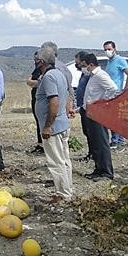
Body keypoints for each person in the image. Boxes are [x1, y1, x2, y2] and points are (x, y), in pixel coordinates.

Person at [34, 46, 73, 201]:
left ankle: (62, 194)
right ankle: (67, 191)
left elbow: (54, 101)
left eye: (36, 60)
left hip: (54, 128)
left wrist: (48, 126)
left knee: (56, 161)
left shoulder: (49, 77)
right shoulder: (59, 74)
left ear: (41, 62)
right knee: (64, 160)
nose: (35, 62)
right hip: (62, 124)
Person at [79, 52, 118, 180]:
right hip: (90, 112)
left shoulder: (101, 75)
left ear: (91, 64)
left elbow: (113, 88)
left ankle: (106, 171)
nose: (84, 68)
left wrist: (101, 102)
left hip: (98, 113)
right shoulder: (92, 76)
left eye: (85, 66)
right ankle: (98, 169)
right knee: (95, 143)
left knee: (101, 142)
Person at [103, 40, 128, 147]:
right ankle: (117, 140)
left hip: (116, 92)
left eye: (109, 49)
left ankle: (117, 141)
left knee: (114, 118)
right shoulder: (109, 62)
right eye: (105, 50)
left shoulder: (120, 60)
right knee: (112, 117)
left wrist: (126, 90)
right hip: (110, 92)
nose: (107, 51)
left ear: (115, 49)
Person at [74, 52, 92, 161]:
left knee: (90, 132)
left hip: (89, 108)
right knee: (86, 131)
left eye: (78, 62)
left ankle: (93, 154)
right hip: (83, 107)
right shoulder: (84, 74)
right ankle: (91, 152)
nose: (77, 65)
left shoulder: (90, 75)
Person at [25, 51, 44, 154]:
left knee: (42, 122)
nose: (35, 61)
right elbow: (29, 81)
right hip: (35, 98)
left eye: (36, 59)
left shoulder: (46, 70)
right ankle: (40, 143)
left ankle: (44, 145)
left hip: (41, 100)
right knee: (38, 121)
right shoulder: (37, 70)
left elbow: (36, 82)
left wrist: (34, 82)